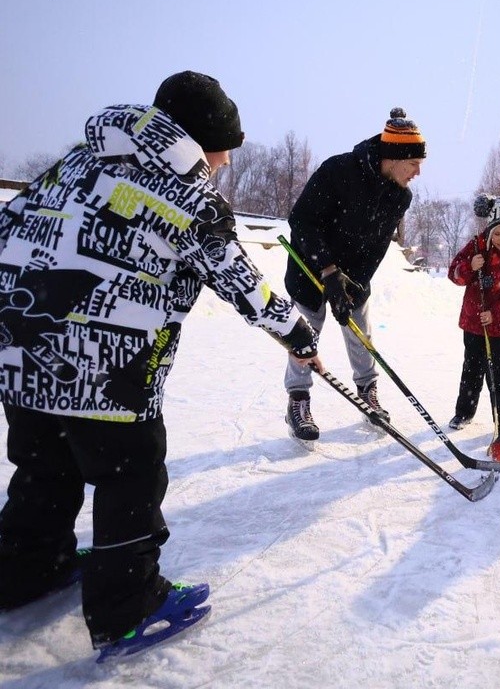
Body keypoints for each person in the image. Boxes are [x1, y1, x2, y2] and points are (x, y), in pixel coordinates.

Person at [0, 71, 323, 660]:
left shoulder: (77, 162)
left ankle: (27, 569)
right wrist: (296, 332)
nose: (225, 163)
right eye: (225, 148)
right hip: (108, 366)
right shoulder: (184, 191)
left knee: (44, 464)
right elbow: (240, 282)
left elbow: (11, 225)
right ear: (204, 141)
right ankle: (128, 609)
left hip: (18, 349)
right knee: (131, 475)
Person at [283, 108, 426, 442]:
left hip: (352, 278)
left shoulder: (399, 196)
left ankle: (368, 390)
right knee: (304, 337)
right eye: (414, 164)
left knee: (361, 333)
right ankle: (298, 400)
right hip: (310, 270)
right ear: (394, 157)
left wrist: (355, 285)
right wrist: (328, 270)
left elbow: (376, 247)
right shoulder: (339, 170)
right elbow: (301, 220)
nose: (418, 172)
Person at [447, 194, 500, 442]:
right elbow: (454, 275)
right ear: (490, 228)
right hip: (473, 323)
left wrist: (497, 313)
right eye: (497, 234)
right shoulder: (475, 247)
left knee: (499, 372)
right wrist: (469, 268)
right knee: (472, 368)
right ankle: (464, 412)